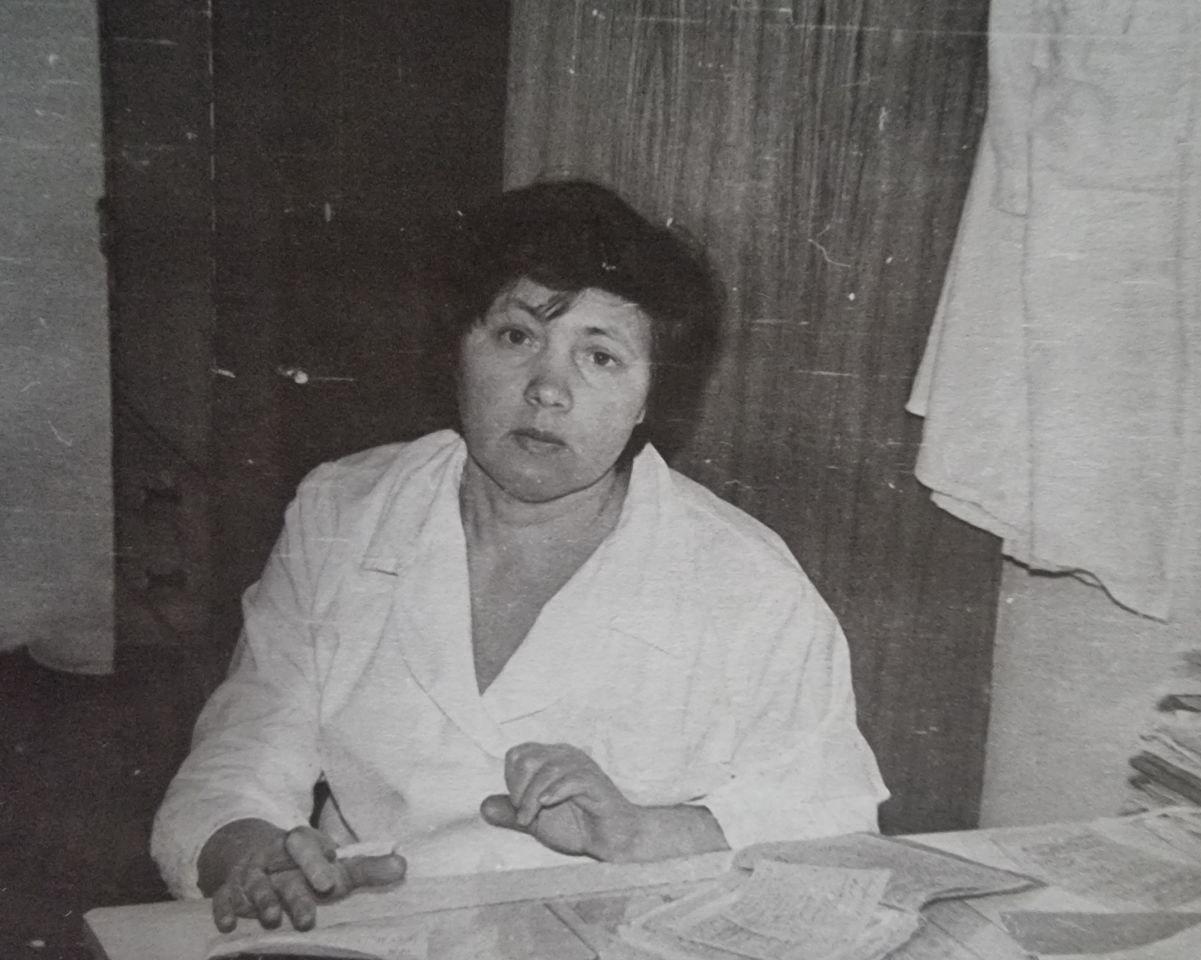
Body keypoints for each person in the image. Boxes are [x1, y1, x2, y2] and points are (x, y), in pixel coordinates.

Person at [150, 180, 888, 932]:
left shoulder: (745, 579)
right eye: (516, 337)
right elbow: (242, 753)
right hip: (370, 930)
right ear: (457, 351)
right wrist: (252, 855)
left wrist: (641, 833)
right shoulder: (345, 510)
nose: (547, 390)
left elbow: (834, 827)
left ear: (649, 399)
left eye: (600, 357)